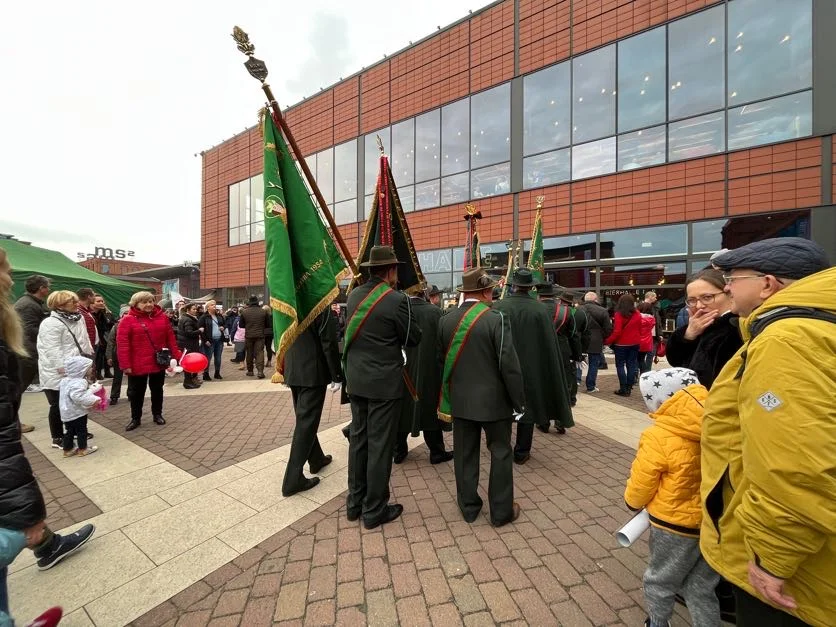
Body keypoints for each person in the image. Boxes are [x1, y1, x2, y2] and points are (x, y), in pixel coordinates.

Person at [700, 238, 834, 626]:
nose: (726, 287)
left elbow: (795, 465)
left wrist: (773, 558)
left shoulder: (787, 340)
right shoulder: (813, 326)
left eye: (732, 278)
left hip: (797, 573)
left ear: (767, 284)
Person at [0, 247, 95, 626]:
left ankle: (47, 546)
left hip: (72, 373)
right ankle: (62, 440)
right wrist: (28, 515)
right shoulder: (47, 320)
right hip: (62, 377)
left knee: (72, 412)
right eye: (4, 269)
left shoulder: (65, 319)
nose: (9, 278)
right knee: (61, 411)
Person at [626, 367, 720, 627]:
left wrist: (632, 503)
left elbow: (642, 481)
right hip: (712, 522)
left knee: (659, 581)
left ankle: (657, 623)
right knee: (700, 586)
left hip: (673, 525)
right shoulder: (719, 424)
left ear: (662, 402)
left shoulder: (658, 436)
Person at [438, 268, 525, 527]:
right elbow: (509, 365)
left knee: (465, 454)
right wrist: (518, 401)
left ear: (464, 293)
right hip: (494, 402)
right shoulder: (496, 318)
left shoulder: (445, 320)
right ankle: (500, 512)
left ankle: (469, 508)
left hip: (461, 400)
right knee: (500, 452)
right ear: (486, 291)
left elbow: (440, 362)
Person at [344, 246, 421, 529]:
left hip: (357, 380)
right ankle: (374, 509)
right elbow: (413, 337)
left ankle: (354, 503)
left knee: (359, 439)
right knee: (379, 445)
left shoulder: (353, 295)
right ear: (390, 270)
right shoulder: (396, 299)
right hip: (383, 383)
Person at [493, 269, 572, 463]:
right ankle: (521, 452)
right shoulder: (540, 311)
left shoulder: (499, 307)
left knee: (501, 407)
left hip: (503, 366)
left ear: (513, 285)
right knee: (526, 410)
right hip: (531, 368)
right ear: (530, 287)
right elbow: (548, 345)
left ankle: (501, 448)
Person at [281, 309, 342, 496]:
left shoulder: (290, 302)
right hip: (313, 372)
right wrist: (336, 374)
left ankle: (316, 459)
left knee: (305, 420)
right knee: (306, 423)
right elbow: (328, 342)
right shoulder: (319, 305)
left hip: (293, 368)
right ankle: (293, 479)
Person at [393, 286, 452, 465]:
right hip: (430, 370)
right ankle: (436, 451)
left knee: (402, 409)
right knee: (430, 409)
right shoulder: (436, 312)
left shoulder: (397, 311)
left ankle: (399, 450)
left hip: (402, 370)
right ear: (423, 293)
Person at [665, 268, 742, 389]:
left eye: (707, 297)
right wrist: (688, 335)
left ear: (729, 294)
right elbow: (676, 361)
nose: (699, 306)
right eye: (692, 300)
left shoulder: (739, 329)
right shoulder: (697, 327)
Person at [37, 290, 95, 448]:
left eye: (77, 301)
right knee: (57, 404)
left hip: (76, 368)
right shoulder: (50, 324)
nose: (77, 304)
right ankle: (57, 437)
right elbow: (51, 350)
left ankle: (76, 431)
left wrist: (89, 357)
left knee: (75, 401)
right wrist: (64, 369)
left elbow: (84, 340)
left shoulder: (78, 318)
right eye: (73, 302)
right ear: (59, 305)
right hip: (57, 372)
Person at [117, 291, 182, 431]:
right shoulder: (127, 320)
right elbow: (122, 344)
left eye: (151, 301)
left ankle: (157, 414)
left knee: (157, 390)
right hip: (137, 362)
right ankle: (136, 418)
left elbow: (170, 338)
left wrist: (176, 355)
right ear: (135, 304)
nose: (148, 304)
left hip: (159, 360)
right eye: (144, 302)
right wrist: (125, 365)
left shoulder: (162, 317)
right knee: (136, 393)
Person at [536, 283, 579, 422]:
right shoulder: (565, 311)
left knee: (542, 385)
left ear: (539, 295)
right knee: (562, 384)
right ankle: (561, 420)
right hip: (561, 349)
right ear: (554, 296)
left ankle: (544, 421)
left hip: (540, 350)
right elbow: (573, 335)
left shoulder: (534, 309)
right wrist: (577, 355)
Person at [13, 274, 50, 432]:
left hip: (26, 351)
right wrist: (49, 329)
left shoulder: (31, 302)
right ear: (41, 288)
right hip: (26, 353)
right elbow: (28, 330)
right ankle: (13, 424)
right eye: (47, 287)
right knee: (17, 389)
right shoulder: (29, 305)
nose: (49, 289)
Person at [59, 356, 101, 457]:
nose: (91, 369)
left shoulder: (65, 380)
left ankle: (67, 449)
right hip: (77, 412)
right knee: (81, 430)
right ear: (81, 369)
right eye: (89, 368)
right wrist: (94, 400)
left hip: (66, 412)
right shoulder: (79, 382)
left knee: (69, 431)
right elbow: (78, 396)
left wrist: (89, 390)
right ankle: (83, 449)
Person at [605, 294, 642, 397]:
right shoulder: (637, 314)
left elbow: (617, 332)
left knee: (620, 365)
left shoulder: (618, 314)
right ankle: (629, 387)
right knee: (631, 365)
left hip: (621, 344)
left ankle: (623, 388)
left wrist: (607, 341)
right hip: (635, 343)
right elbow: (640, 329)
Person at [580, 291, 612, 393]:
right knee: (594, 364)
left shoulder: (578, 309)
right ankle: (591, 386)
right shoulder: (602, 310)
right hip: (596, 339)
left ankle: (576, 381)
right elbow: (608, 328)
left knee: (577, 361)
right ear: (595, 300)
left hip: (580, 339)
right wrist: (603, 337)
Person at [238, 295, 270, 379]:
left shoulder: (244, 312)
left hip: (249, 335)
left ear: (249, 302)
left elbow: (241, 325)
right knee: (260, 352)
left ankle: (250, 371)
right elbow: (268, 324)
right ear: (257, 302)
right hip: (260, 335)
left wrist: (249, 325)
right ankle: (260, 372)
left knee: (249, 353)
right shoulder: (263, 312)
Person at [105, 305, 129, 404]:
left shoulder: (134, 324)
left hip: (131, 354)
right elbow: (111, 342)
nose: (127, 315)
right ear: (121, 315)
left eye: (128, 313)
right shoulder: (116, 326)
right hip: (118, 354)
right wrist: (109, 356)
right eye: (125, 313)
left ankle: (131, 394)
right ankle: (114, 396)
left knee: (132, 377)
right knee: (117, 377)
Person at [176, 303, 203, 390]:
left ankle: (189, 381)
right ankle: (187, 382)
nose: (195, 311)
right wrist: (199, 331)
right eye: (193, 309)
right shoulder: (188, 319)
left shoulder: (185, 318)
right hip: (188, 344)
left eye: (196, 309)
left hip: (186, 344)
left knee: (189, 363)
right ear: (188, 310)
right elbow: (189, 332)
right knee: (189, 363)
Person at [197, 300, 225, 381]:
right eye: (212, 305)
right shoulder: (204, 317)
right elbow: (200, 330)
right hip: (209, 341)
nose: (214, 306)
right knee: (208, 358)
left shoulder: (219, 316)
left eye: (215, 305)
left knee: (218, 357)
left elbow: (224, 323)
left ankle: (217, 373)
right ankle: (206, 374)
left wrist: (223, 327)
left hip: (219, 340)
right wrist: (205, 340)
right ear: (208, 307)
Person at [92, 295, 114, 379]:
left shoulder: (104, 313)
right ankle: (96, 372)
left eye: (102, 301)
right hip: (95, 337)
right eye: (98, 301)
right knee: (97, 356)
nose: (101, 303)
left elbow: (108, 324)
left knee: (105, 354)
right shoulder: (90, 314)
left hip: (103, 336)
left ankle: (106, 371)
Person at [75, 287, 99, 352]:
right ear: (89, 296)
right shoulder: (78, 312)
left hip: (92, 346)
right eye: (94, 295)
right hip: (86, 348)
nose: (95, 297)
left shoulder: (87, 311)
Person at [636, 302, 657, 375]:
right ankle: (644, 375)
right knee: (641, 359)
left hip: (637, 341)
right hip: (647, 342)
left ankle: (635, 375)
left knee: (635, 360)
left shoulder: (637, 318)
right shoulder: (652, 319)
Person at [644, 291, 664, 359]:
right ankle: (644, 369)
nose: (656, 299)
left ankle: (646, 368)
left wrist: (660, 334)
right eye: (654, 297)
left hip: (654, 336)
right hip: (646, 335)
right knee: (644, 356)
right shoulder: (641, 307)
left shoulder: (655, 308)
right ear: (650, 297)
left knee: (651, 354)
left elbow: (658, 322)